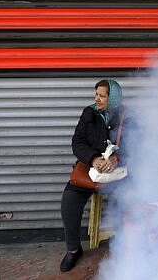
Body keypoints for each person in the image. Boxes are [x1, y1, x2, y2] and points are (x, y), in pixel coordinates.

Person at [59, 79, 125, 272]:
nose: (97, 99)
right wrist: (94, 158)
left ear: (113, 98)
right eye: (96, 94)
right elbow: (77, 142)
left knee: (126, 198)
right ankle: (73, 250)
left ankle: (121, 242)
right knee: (69, 201)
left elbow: (135, 145)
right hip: (91, 169)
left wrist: (117, 159)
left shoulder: (127, 117)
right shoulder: (89, 113)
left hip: (116, 171)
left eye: (102, 96)